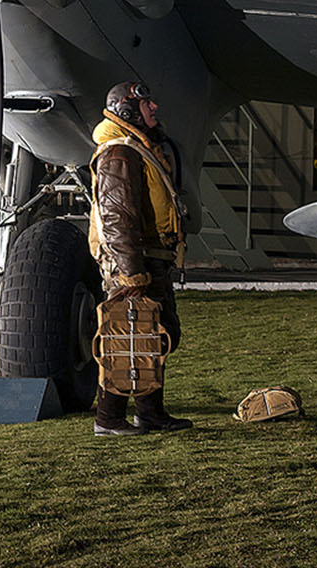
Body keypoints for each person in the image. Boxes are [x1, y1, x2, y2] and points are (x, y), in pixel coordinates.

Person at [88, 80, 195, 435]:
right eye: (147, 105)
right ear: (127, 110)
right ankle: (108, 418)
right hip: (135, 264)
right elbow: (118, 216)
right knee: (124, 339)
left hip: (151, 258)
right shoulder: (119, 153)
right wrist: (131, 274)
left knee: (152, 336)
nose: (154, 109)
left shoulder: (137, 148)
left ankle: (150, 413)